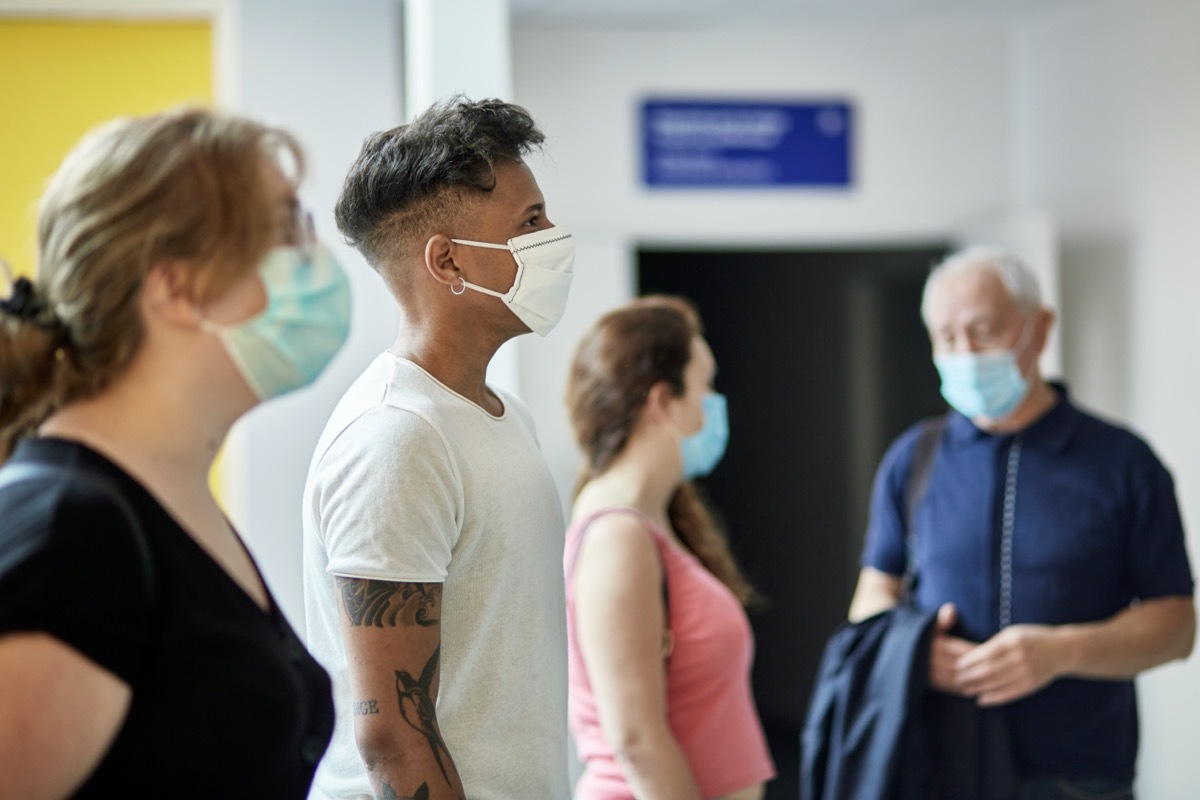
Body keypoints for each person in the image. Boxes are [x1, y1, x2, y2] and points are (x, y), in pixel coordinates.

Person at [0, 108, 345, 797]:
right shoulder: (70, 530)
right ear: (176, 287)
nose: (315, 254)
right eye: (285, 229)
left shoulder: (168, 500)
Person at [849, 245, 1196, 799]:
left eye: (984, 330)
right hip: (940, 769)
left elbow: (1176, 626)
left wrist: (1062, 652)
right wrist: (913, 654)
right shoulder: (913, 459)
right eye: (946, 337)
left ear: (1040, 327)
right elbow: (872, 593)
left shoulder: (1124, 463)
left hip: (1078, 779)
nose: (964, 353)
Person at [302, 96, 574, 800]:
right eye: (531, 222)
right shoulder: (398, 437)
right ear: (448, 261)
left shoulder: (503, 417)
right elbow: (391, 733)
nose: (553, 238)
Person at [564, 295, 776, 800]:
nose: (714, 403)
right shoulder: (617, 537)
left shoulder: (650, 520)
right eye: (705, 385)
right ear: (662, 401)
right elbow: (635, 739)